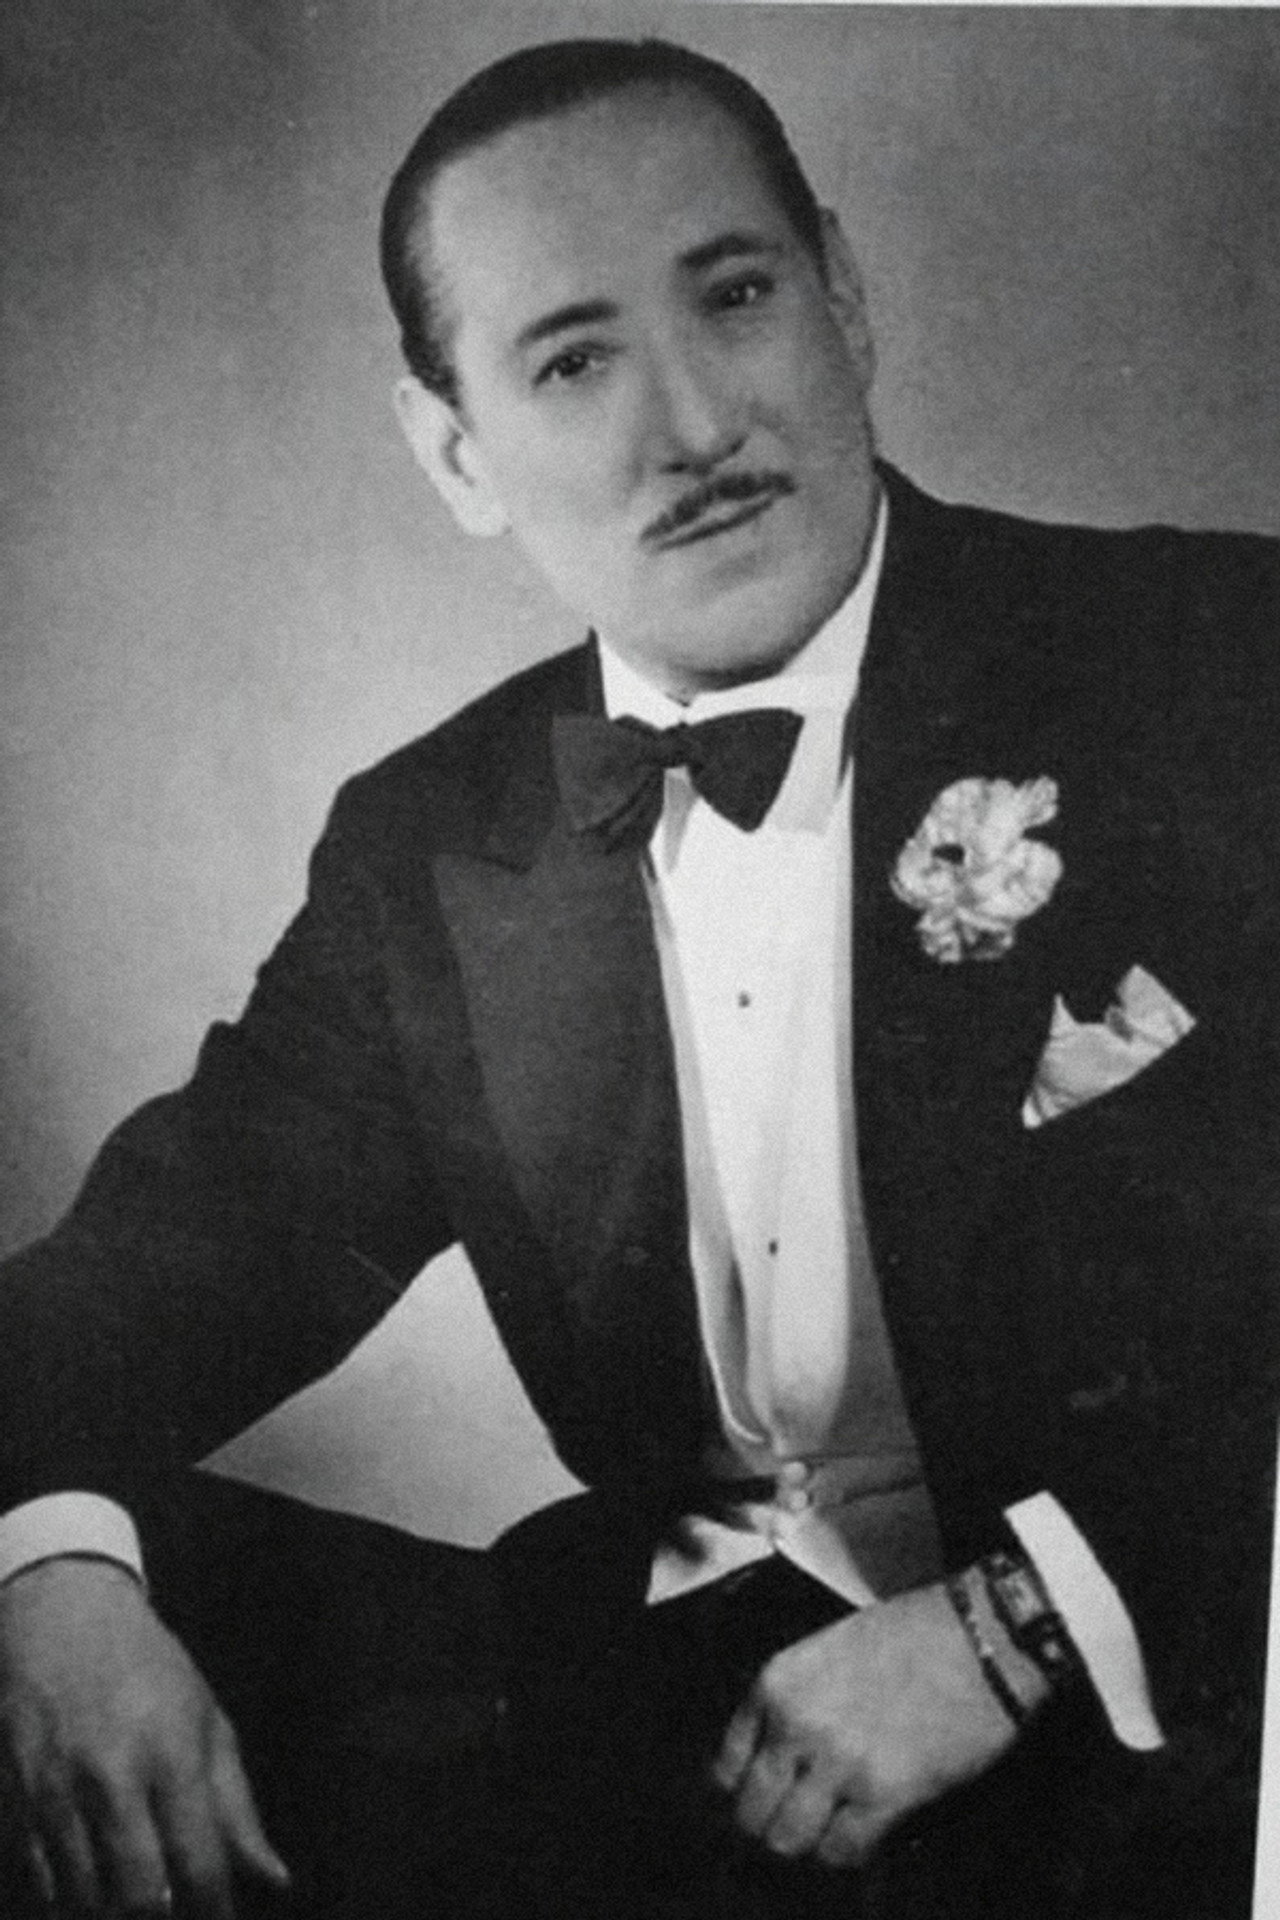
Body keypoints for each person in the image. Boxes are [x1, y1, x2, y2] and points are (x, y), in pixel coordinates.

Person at [0, 35, 1276, 1920]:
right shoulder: (431, 838)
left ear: (845, 295)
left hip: (1150, 1717)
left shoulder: (1215, 660)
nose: (689, 426)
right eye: (573, 360)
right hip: (670, 1720)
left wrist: (1025, 1623)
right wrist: (49, 1571)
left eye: (735, 295)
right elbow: (158, 1278)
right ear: (456, 452)